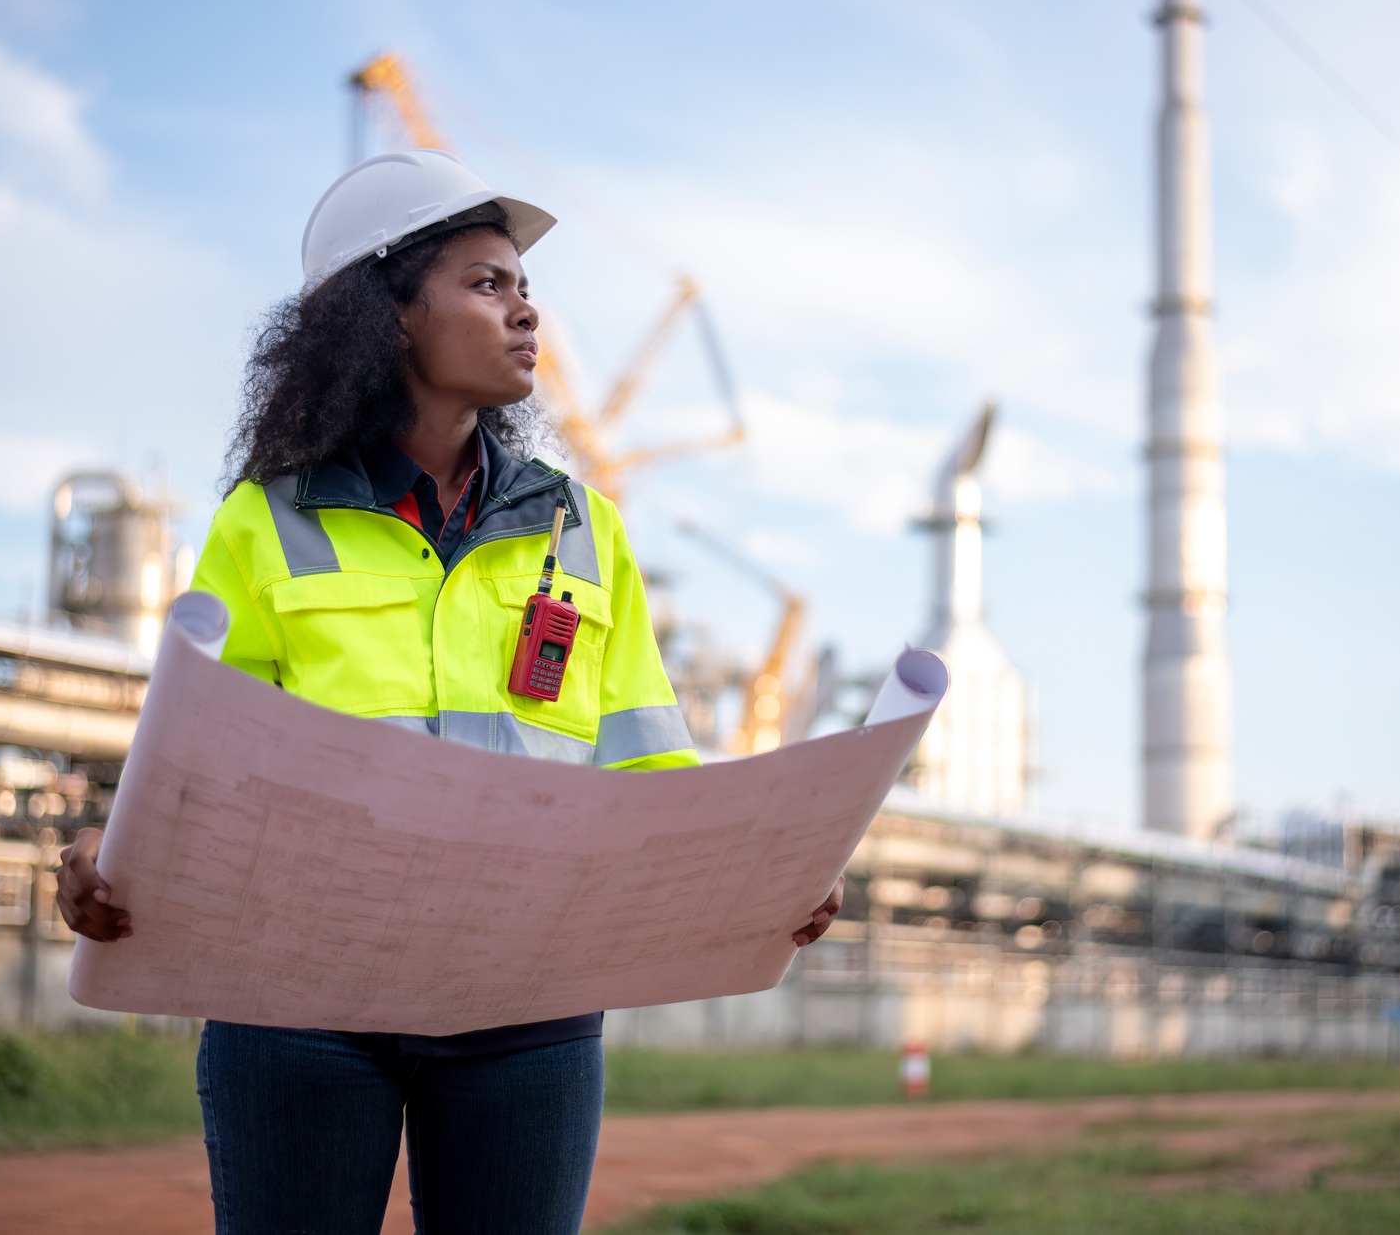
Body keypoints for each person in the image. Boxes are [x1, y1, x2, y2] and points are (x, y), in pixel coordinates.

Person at [54, 149, 844, 1235]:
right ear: (384, 318)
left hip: (527, 1003)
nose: (526, 312)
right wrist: (117, 848)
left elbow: (646, 758)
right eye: (487, 283)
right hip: (299, 998)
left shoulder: (584, 528)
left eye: (524, 286)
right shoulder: (268, 520)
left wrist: (757, 877)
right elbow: (197, 764)